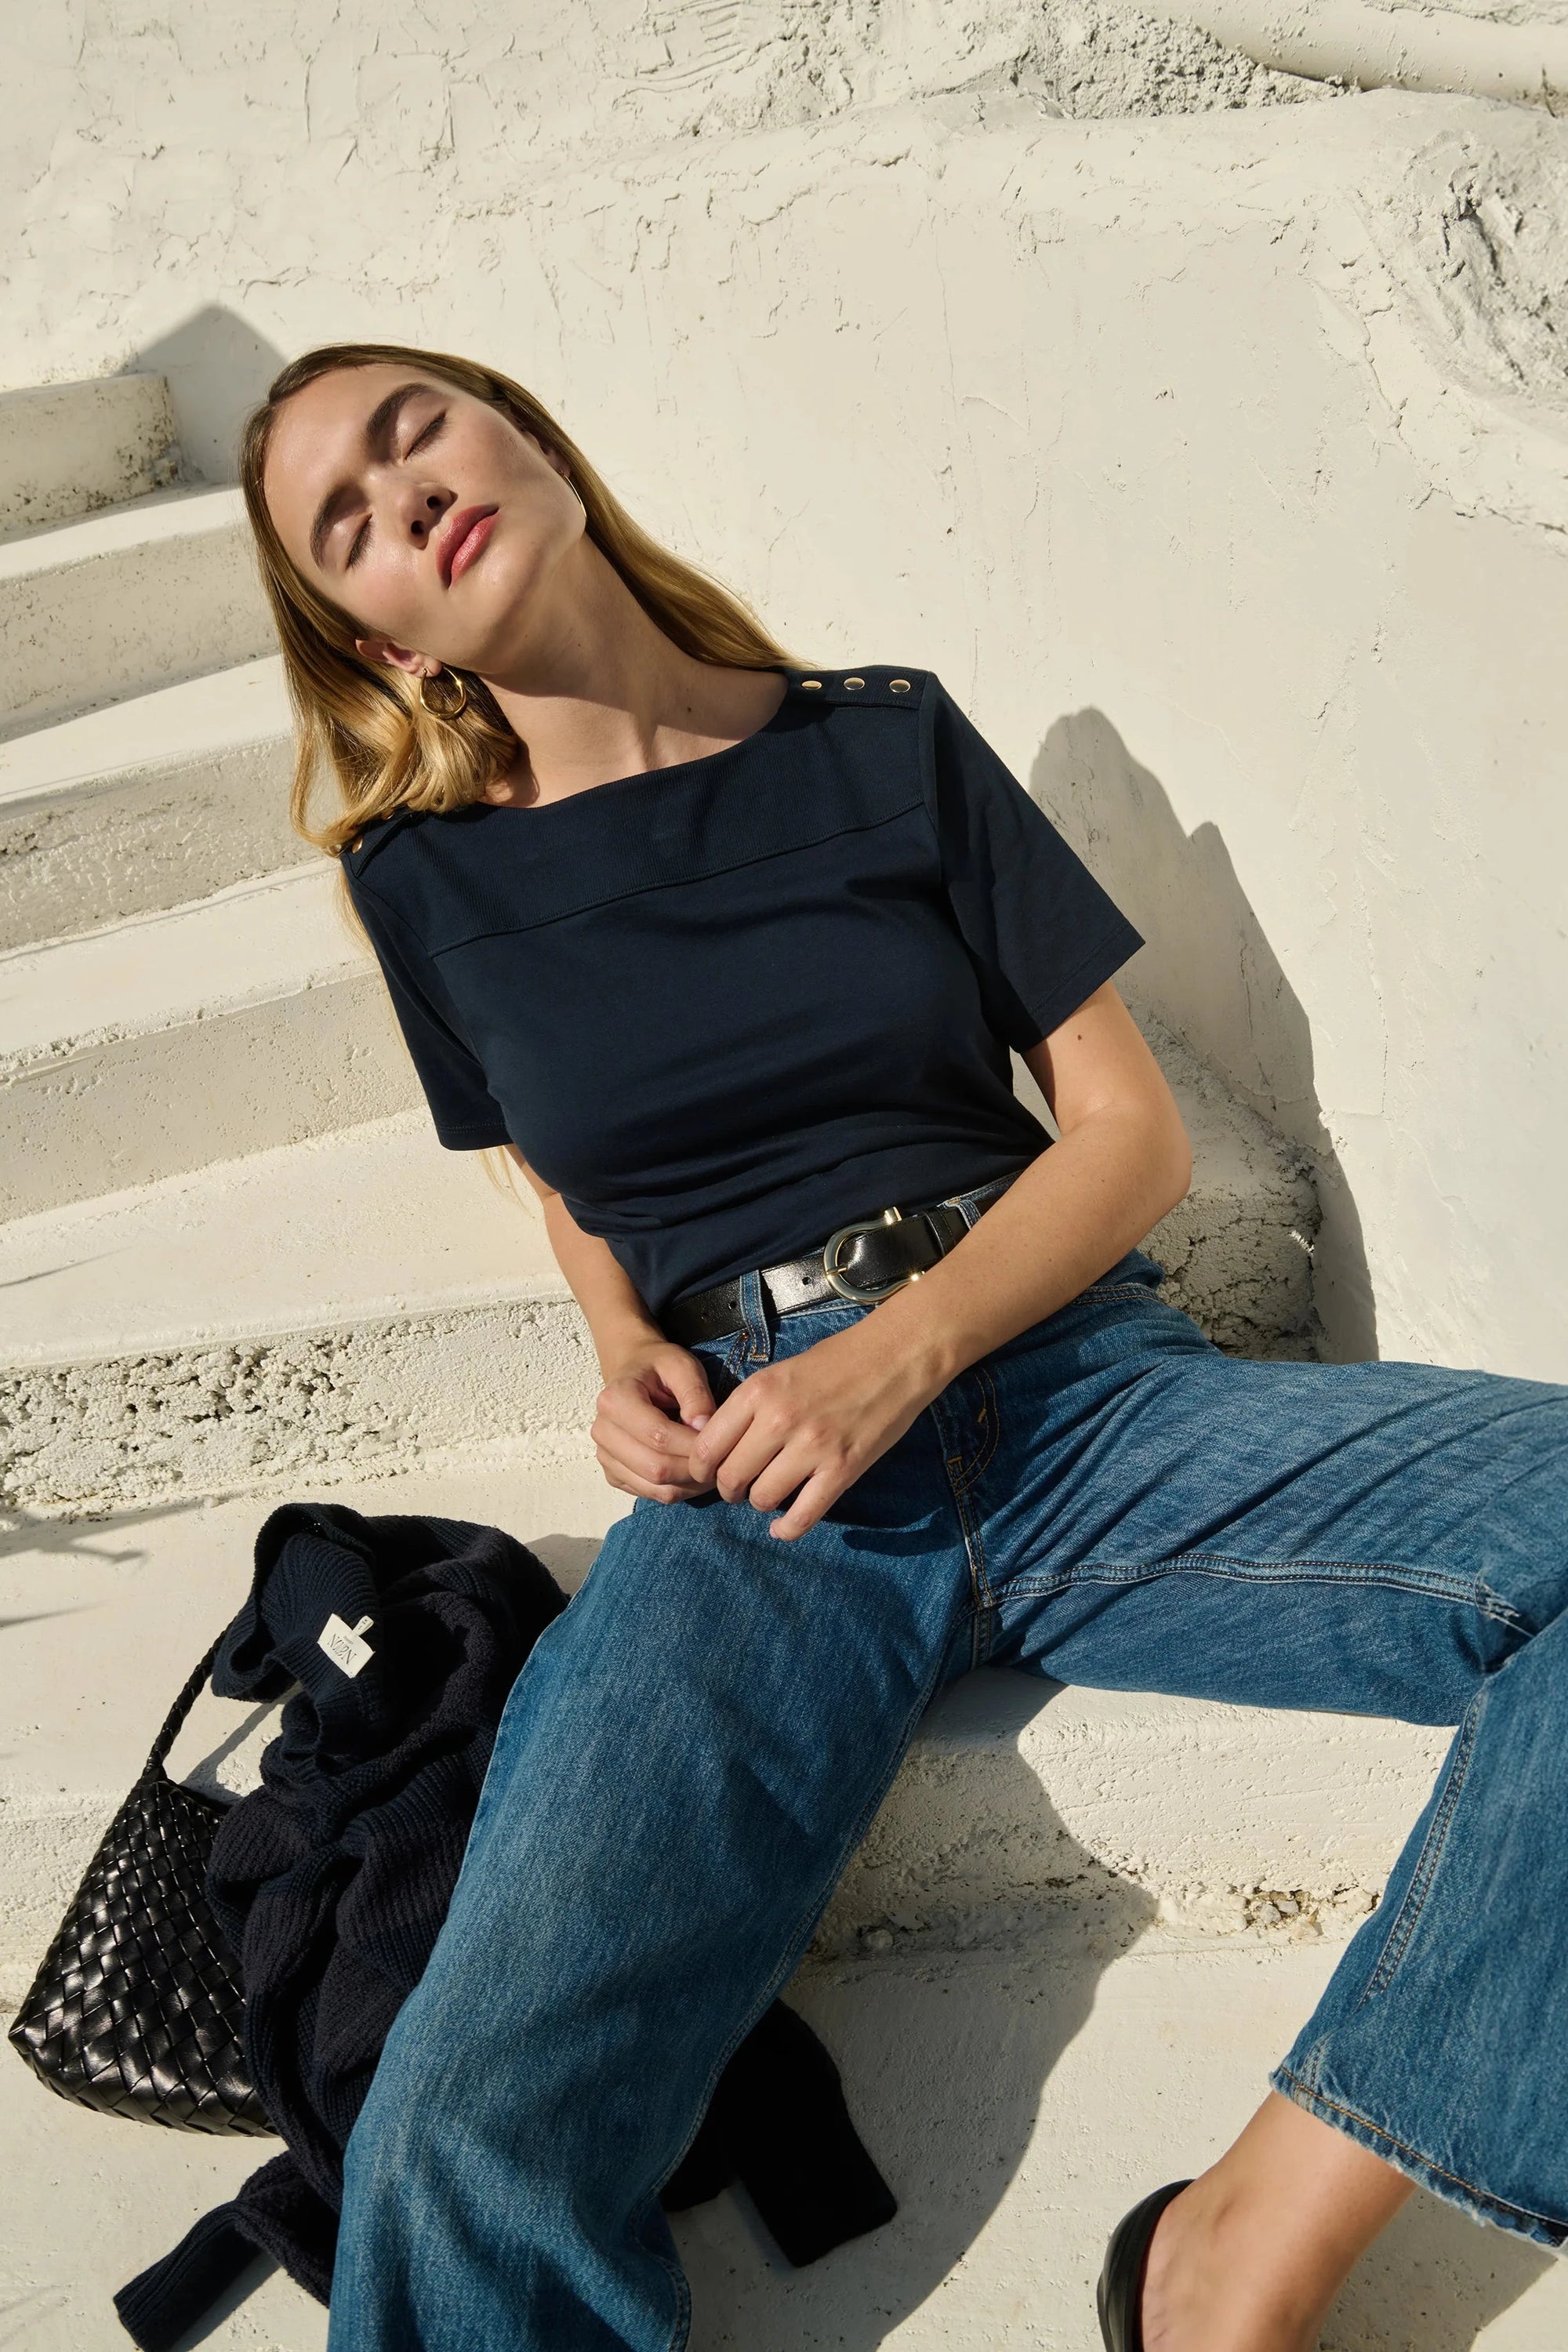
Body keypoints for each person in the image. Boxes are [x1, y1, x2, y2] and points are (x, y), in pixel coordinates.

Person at [244, 339, 1568, 2352]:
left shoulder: (881, 743)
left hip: (1073, 1396)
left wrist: (911, 1344)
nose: (399, 493)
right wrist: (620, 1348)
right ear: (369, 630)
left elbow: (1128, 1141)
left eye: (411, 429)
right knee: (461, 2130)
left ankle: (1239, 2255)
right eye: (342, 520)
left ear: (527, 437)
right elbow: (570, 1174)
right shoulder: (423, 888)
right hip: (753, 1507)